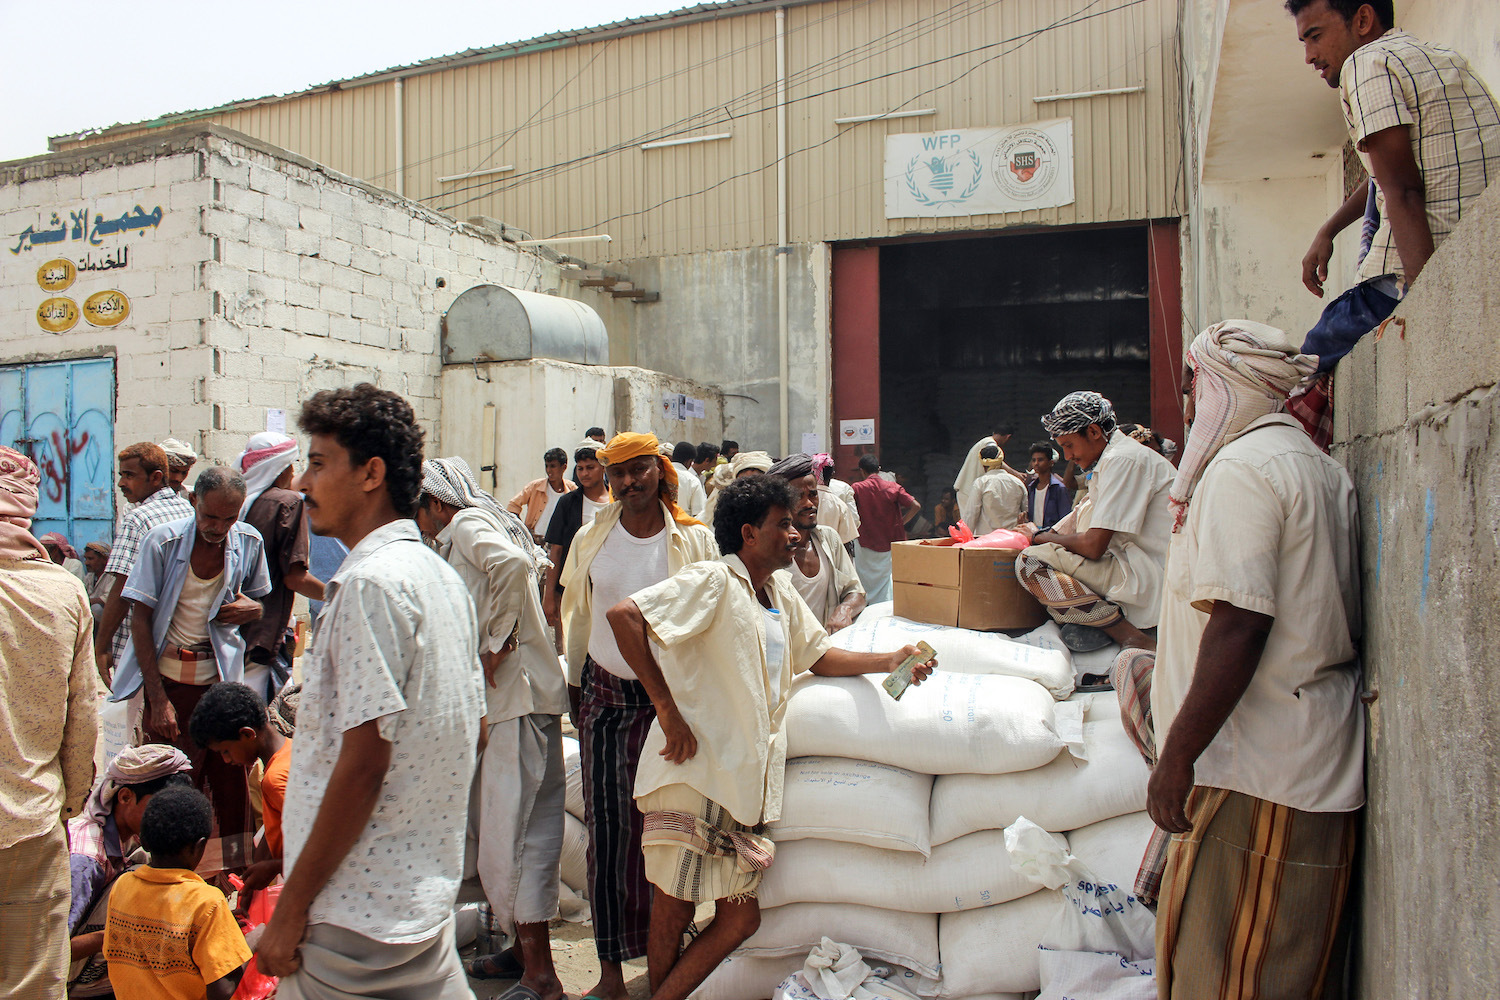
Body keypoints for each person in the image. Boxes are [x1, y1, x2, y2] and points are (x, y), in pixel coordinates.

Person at [604, 475, 935, 1000]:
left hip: (740, 781)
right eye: (782, 524)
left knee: (738, 920)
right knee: (677, 906)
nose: (794, 533)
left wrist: (887, 661)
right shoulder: (714, 580)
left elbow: (819, 656)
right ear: (748, 534)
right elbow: (625, 617)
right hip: (693, 771)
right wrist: (666, 709)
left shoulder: (777, 593)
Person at [1142, 320, 1362, 999]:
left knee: (1234, 974)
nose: (1185, 404)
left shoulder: (1243, 471)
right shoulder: (1308, 462)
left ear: (1224, 387)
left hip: (1258, 771)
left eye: (1192, 387)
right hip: (1275, 762)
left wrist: (1176, 759)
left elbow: (1241, 624)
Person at [255, 384, 483, 998]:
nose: (302, 484)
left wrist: (291, 909)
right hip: (415, 900)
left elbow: (363, 764)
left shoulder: (369, 587)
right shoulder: (438, 577)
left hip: (351, 915)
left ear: (371, 473)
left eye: (319, 463)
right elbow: (468, 730)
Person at [1287, 0, 1499, 448]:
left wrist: (1425, 305)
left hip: (1420, 265)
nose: (1308, 56)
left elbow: (1403, 190)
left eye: (1316, 35)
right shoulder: (1440, 58)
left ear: (1362, 21)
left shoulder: (1365, 66)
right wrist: (1329, 229)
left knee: (1304, 363)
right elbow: (1389, 171)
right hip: (1471, 238)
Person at [558, 432, 718, 1000]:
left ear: (660, 471)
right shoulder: (591, 538)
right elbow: (574, 614)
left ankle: (666, 960)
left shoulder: (694, 543)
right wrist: (574, 683)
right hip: (605, 697)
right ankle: (608, 978)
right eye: (619, 472)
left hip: (672, 705)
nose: (629, 482)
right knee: (608, 834)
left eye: (640, 470)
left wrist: (688, 707)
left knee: (672, 832)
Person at [416, 458, 569, 1000]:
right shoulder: (465, 531)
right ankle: (522, 955)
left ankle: (542, 977)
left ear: (437, 503)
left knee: (516, 839)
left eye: (419, 506)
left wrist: (493, 646)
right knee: (510, 835)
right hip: (515, 703)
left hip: (518, 700)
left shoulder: (467, 527)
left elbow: (509, 565)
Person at [111, 466, 272, 879]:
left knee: (232, 782)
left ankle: (234, 878)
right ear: (193, 503)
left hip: (218, 682)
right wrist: (158, 698)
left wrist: (251, 609)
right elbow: (141, 618)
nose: (218, 528)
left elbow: (259, 603)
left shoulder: (248, 542)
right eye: (210, 517)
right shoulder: (161, 542)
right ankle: (168, 876)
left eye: (229, 519)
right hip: (169, 680)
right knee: (174, 781)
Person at [0, 446, 100, 1000]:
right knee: (33, 976)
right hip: (30, 822)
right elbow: (83, 718)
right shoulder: (62, 592)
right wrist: (71, 803)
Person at [1015, 392, 1174, 654]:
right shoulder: (1112, 460)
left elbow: (1092, 546)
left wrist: (1039, 537)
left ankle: (1130, 636)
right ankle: (1102, 622)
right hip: (1134, 565)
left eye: (1069, 445)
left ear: (1093, 431)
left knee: (1029, 561)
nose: (1067, 456)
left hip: (1148, 573)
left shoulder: (1122, 460)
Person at [66, 745, 193, 998]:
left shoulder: (131, 840)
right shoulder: (86, 860)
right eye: (160, 806)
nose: (169, 818)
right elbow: (48, 951)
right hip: (70, 983)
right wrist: (117, 934)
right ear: (125, 797)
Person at [104, 785, 251, 1000]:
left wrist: (223, 931)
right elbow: (223, 989)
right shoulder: (207, 903)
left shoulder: (123, 885)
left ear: (142, 840)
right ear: (199, 847)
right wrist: (254, 942)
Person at [188, 682, 292, 915]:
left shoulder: (276, 780)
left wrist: (276, 866)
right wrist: (249, 891)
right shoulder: (288, 753)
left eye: (225, 750)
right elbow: (275, 827)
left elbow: (322, 840)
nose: (226, 760)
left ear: (247, 734)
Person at [96, 442, 194, 685]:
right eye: (121, 475)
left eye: (129, 476)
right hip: (176, 635)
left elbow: (122, 586)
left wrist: (102, 645)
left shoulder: (137, 518)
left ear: (156, 477)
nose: (121, 484)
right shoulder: (187, 509)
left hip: (139, 640)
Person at [238, 431, 326, 702]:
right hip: (264, 631)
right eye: (291, 465)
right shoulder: (288, 504)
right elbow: (295, 578)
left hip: (234, 632)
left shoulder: (243, 501)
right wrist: (338, 593)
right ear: (280, 469)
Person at [769, 454, 866, 631]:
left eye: (813, 494)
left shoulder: (829, 539)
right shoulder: (769, 549)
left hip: (828, 651)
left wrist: (844, 609)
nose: (809, 503)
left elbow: (856, 592)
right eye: (799, 497)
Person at [543, 443, 612, 637]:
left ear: (603, 468)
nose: (584, 473)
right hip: (574, 585)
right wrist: (549, 595)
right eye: (580, 469)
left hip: (607, 585)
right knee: (574, 641)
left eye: (590, 467)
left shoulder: (616, 503)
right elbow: (555, 550)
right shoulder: (567, 503)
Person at [849, 455, 920, 605]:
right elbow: (916, 506)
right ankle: (887, 605)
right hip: (891, 541)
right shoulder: (893, 487)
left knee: (865, 576)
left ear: (862, 471)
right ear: (879, 469)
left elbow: (849, 511)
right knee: (889, 577)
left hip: (865, 540)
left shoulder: (857, 488)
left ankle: (867, 605)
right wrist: (901, 523)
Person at [509, 447, 578, 542]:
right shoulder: (535, 487)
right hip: (535, 542)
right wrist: (523, 530)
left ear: (564, 467)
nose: (549, 470)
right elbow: (513, 505)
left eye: (553, 466)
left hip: (560, 543)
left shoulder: (572, 489)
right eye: (547, 466)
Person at [960, 445, 1027, 535]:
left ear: (983, 465)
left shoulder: (981, 483)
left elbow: (971, 514)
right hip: (1012, 540)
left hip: (986, 541)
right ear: (1001, 462)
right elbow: (1026, 513)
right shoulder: (1017, 483)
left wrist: (964, 539)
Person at [953, 424, 1019, 512]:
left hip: (967, 490)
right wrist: (1016, 474)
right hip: (968, 491)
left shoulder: (984, 441)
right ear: (1008, 437)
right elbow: (995, 459)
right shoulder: (990, 443)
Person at [701, 450, 772, 525]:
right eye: (742, 482)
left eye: (755, 481)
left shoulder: (775, 512)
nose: (749, 487)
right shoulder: (724, 511)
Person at [813, 453, 860, 546]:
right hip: (837, 548)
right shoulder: (843, 493)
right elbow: (854, 522)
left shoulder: (802, 497)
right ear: (832, 473)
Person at [1025, 443, 1073, 532]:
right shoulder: (1031, 488)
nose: (1036, 463)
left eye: (1040, 460)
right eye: (1034, 460)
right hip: (1033, 535)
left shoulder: (1059, 488)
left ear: (1050, 463)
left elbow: (1065, 520)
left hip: (1052, 537)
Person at [671, 441, 707, 518]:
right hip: (682, 526)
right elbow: (698, 513)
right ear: (690, 462)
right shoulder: (692, 480)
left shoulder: (659, 474)